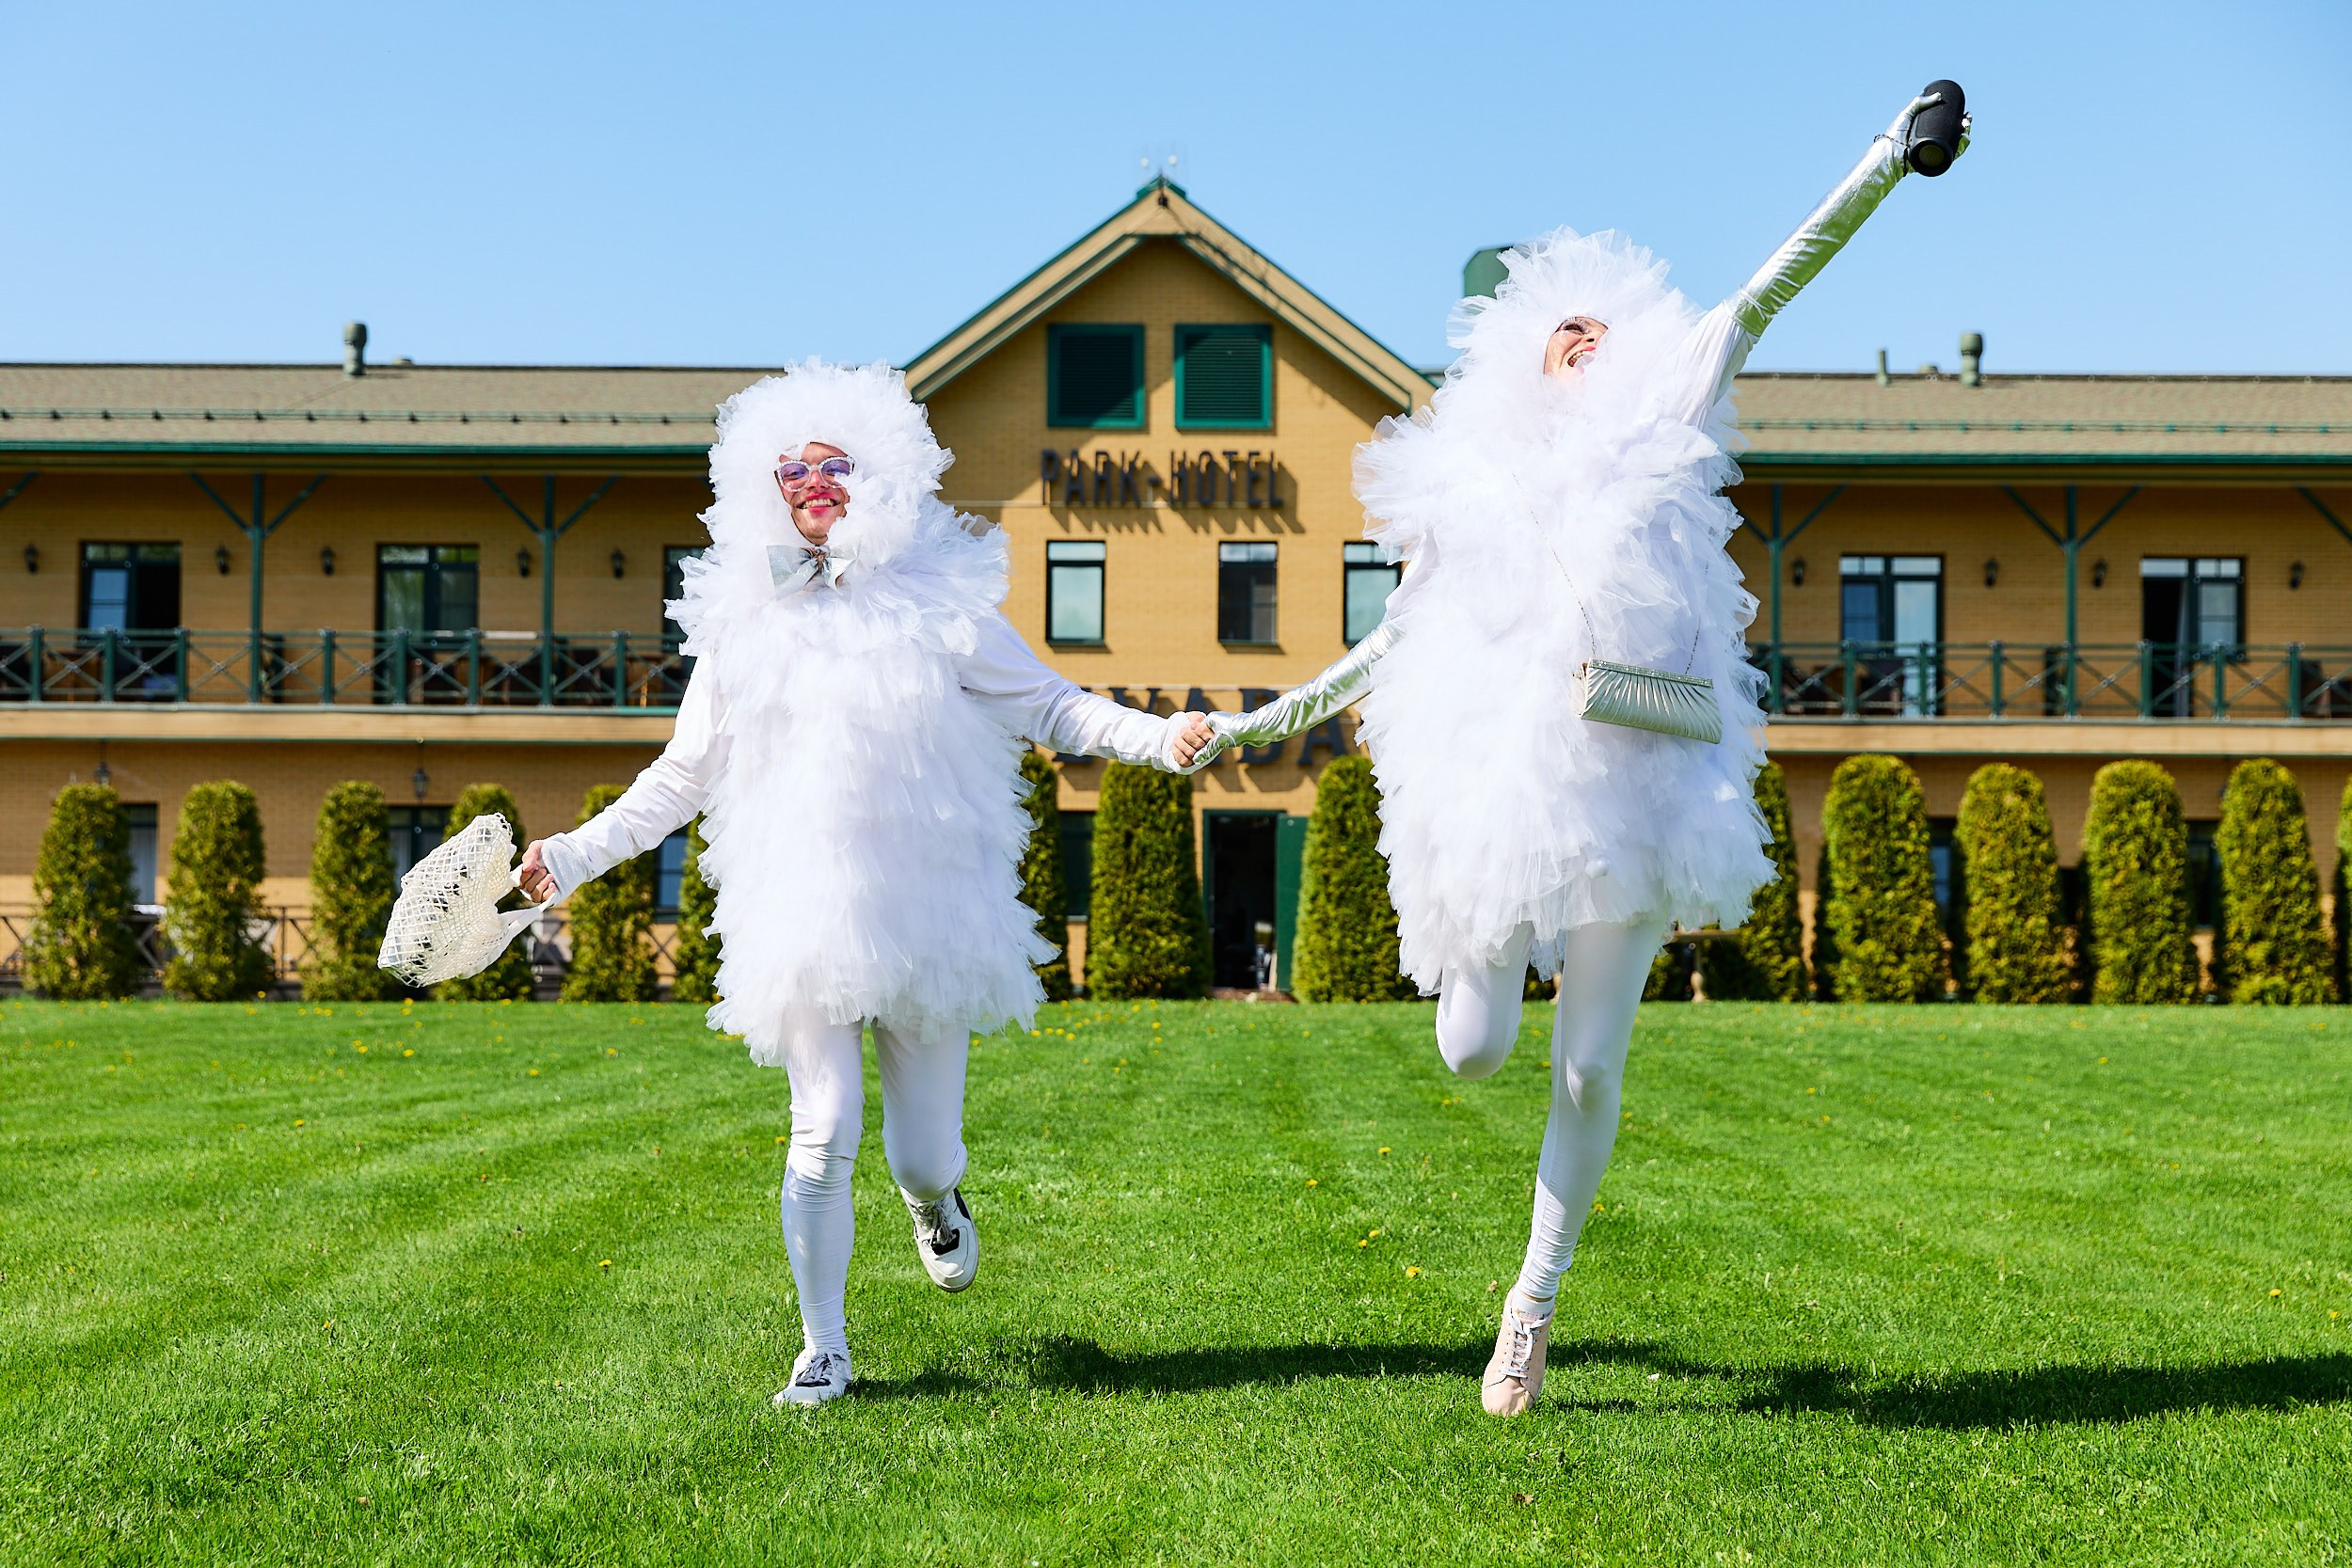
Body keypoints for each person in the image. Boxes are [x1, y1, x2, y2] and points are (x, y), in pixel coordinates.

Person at [1203, 90, 1970, 1416]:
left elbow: (1762, 291)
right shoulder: (1469, 481)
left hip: (1639, 772)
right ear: (1512, 350)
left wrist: (1887, 160)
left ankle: (1531, 1308)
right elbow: (1386, 647)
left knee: (1593, 1062)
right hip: (1501, 778)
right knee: (1472, 1050)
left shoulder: (1663, 411)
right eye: (1558, 323)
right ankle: (1471, 980)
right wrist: (1258, 723)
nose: (1583, 338)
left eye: (1600, 323)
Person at [517, 361, 1215, 1407]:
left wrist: (1162, 738)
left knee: (922, 1151)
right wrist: (566, 857)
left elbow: (1057, 708)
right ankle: (823, 1345)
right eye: (788, 470)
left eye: (830, 465)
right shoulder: (745, 621)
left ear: (879, 474)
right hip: (800, 909)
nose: (809, 485)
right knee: (823, 1124)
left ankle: (935, 1199)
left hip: (927, 909)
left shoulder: (944, 603)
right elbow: (681, 775)